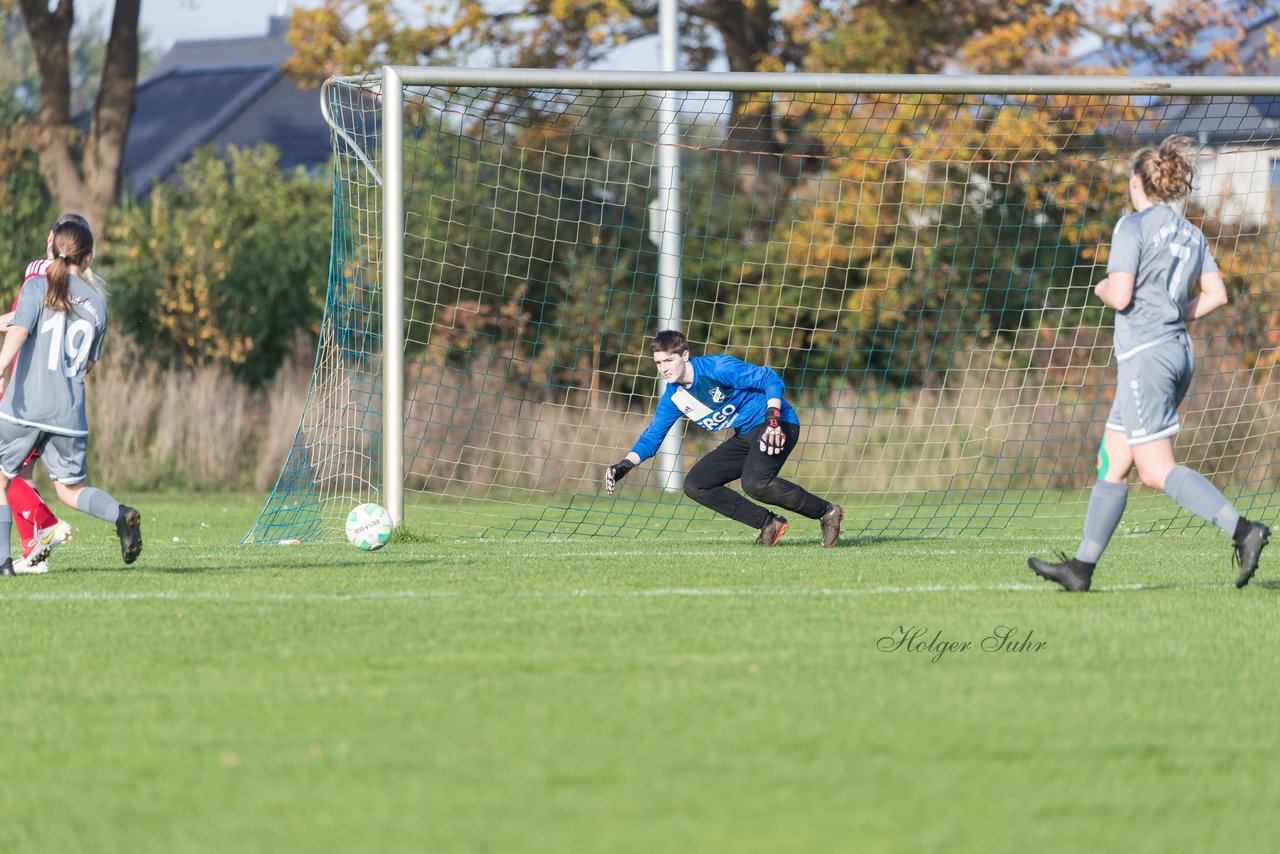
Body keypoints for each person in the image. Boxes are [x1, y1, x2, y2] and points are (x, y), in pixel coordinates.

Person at [1028, 136, 1269, 592]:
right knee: (1113, 461)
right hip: (1175, 351)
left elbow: (1119, 295)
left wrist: (1100, 289)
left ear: (1138, 181)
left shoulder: (1131, 227)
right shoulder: (1190, 232)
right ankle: (1081, 568)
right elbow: (1216, 295)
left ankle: (1244, 532)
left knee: (1155, 470)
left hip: (1146, 357)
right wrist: (1174, 314)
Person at [604, 330, 843, 547]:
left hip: (778, 423)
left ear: (684, 355)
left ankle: (827, 512)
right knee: (696, 484)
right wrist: (624, 466)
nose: (663, 368)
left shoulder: (716, 367)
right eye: (658, 362)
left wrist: (773, 419)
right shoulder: (673, 397)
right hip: (745, 434)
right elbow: (652, 438)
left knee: (755, 483)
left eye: (668, 360)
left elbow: (770, 379)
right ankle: (769, 524)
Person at [0, 218, 141, 577]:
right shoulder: (98, 303)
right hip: (70, 412)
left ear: (52, 245)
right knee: (70, 489)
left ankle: (4, 561)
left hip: (27, 406)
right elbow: (89, 363)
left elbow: (18, 331)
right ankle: (120, 514)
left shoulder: (37, 284)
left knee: (2, 478)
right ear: (89, 258)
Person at [3, 215, 87, 573]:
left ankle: (45, 525)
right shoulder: (82, 287)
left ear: (54, 239)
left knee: (10, 471)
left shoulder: (40, 269)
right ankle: (34, 550)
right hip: (57, 392)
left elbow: (23, 318)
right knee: (21, 472)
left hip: (28, 389)